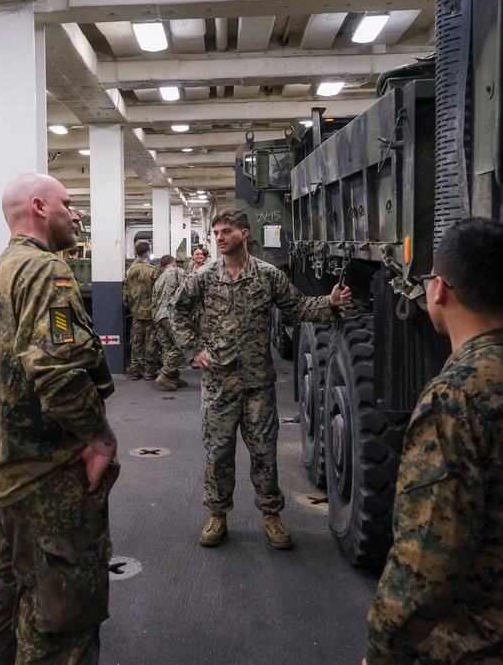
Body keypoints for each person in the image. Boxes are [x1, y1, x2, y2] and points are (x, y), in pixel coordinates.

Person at [364, 219, 503, 664]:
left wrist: (383, 648)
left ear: (438, 290)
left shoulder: (455, 398)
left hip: (473, 647)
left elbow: (426, 556)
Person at [0, 172, 120, 664]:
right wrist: (100, 439)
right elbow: (57, 366)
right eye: (68, 204)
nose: (75, 214)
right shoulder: (46, 274)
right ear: (39, 207)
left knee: (13, 602)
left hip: (3, 472)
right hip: (44, 478)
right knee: (61, 624)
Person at [169, 209, 350, 549]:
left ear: (244, 233)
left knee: (264, 453)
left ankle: (271, 515)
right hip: (219, 383)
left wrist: (331, 302)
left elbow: (298, 307)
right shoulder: (204, 277)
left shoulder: (267, 276)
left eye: (226, 231)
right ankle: (217, 515)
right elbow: (175, 310)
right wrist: (193, 349)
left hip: (258, 386)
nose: (220, 237)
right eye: (216, 232)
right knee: (218, 454)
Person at [123, 239, 159, 380]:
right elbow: (158, 293)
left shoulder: (130, 271)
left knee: (136, 342)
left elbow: (125, 292)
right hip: (151, 313)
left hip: (136, 312)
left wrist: (130, 306)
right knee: (151, 342)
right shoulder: (153, 271)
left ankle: (135, 370)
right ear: (149, 252)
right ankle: (150, 371)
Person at [152, 254, 189, 391]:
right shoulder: (178, 271)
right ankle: (166, 373)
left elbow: (154, 301)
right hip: (173, 315)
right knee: (183, 345)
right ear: (173, 263)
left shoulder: (158, 280)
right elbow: (188, 289)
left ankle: (173, 377)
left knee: (168, 347)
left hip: (159, 317)